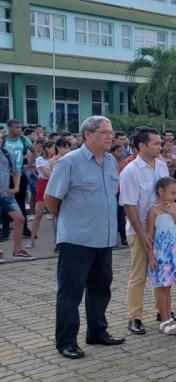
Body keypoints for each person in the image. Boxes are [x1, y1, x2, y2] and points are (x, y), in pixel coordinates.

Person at [45, 116, 125, 359]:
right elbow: (51, 199)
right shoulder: (70, 162)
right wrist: (70, 222)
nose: (110, 136)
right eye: (105, 132)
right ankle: (66, 341)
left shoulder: (111, 161)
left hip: (104, 238)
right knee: (70, 293)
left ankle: (97, 331)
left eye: (111, 132)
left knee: (101, 289)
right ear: (88, 134)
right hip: (77, 239)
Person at [119, 127, 171, 335]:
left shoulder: (162, 166)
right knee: (139, 274)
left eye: (161, 143)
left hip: (161, 228)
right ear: (142, 146)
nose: (161, 146)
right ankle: (135, 317)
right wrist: (142, 234)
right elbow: (129, 206)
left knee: (162, 272)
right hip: (138, 229)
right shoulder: (130, 171)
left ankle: (163, 312)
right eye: (156, 143)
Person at [146, 177, 176, 335]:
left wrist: (174, 213)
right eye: (172, 193)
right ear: (161, 191)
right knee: (162, 287)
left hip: (174, 253)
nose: (174, 197)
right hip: (162, 254)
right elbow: (148, 236)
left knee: (168, 287)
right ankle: (164, 319)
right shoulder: (153, 211)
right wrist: (150, 257)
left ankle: (169, 317)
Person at [3, 119, 33, 240]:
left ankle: (24, 229)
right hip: (5, 176)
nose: (19, 130)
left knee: (20, 202)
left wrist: (29, 165)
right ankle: (5, 230)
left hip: (20, 174)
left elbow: (34, 151)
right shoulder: (4, 139)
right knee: (5, 202)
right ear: (9, 127)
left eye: (20, 127)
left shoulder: (23, 139)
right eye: (16, 127)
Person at [27, 141, 55, 249]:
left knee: (55, 215)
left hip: (53, 184)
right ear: (46, 149)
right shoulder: (40, 160)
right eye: (51, 147)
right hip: (44, 185)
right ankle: (32, 240)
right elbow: (48, 174)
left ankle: (58, 239)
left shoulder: (56, 159)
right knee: (38, 215)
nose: (53, 150)